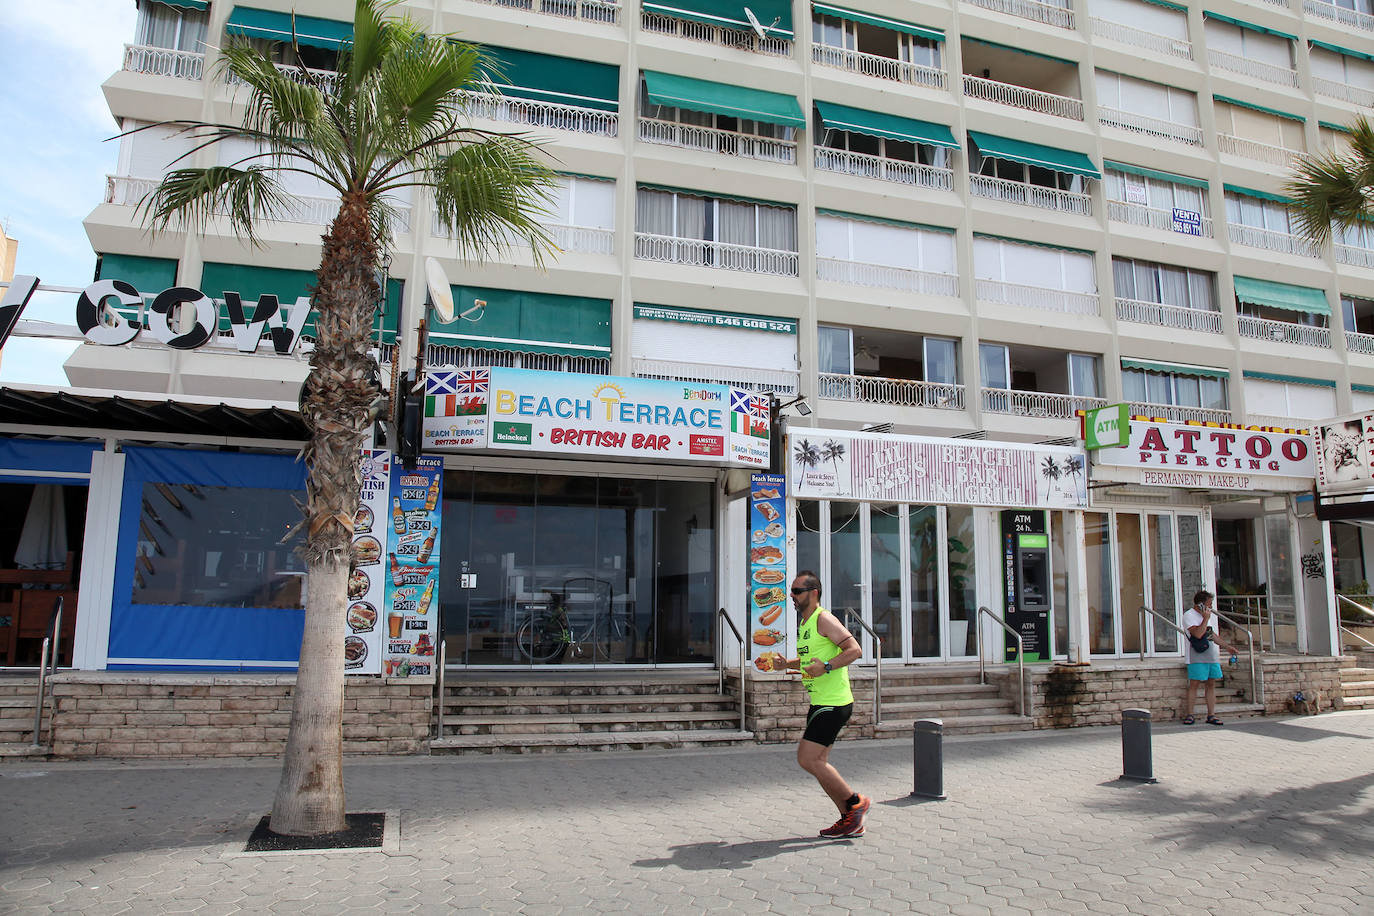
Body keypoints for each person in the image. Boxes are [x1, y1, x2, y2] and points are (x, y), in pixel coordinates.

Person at [766, 570, 870, 838]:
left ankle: (855, 802)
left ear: (813, 593)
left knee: (808, 759)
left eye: (797, 591)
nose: (792, 596)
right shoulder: (806, 622)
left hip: (832, 704)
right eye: (792, 591)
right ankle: (850, 819)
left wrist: (826, 667)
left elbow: (854, 650)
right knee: (819, 762)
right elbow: (810, 660)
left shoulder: (824, 619)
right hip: (823, 702)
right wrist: (786, 664)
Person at [1180, 589, 1238, 726]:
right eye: (1209, 604)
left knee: (1211, 684)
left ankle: (1211, 714)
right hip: (1196, 656)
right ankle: (1190, 714)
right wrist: (1205, 619)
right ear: (1200, 604)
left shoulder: (1207, 616)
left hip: (1210, 655)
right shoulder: (1189, 616)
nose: (1211, 607)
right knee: (1194, 684)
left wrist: (1227, 647)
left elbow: (1212, 635)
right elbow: (1198, 634)